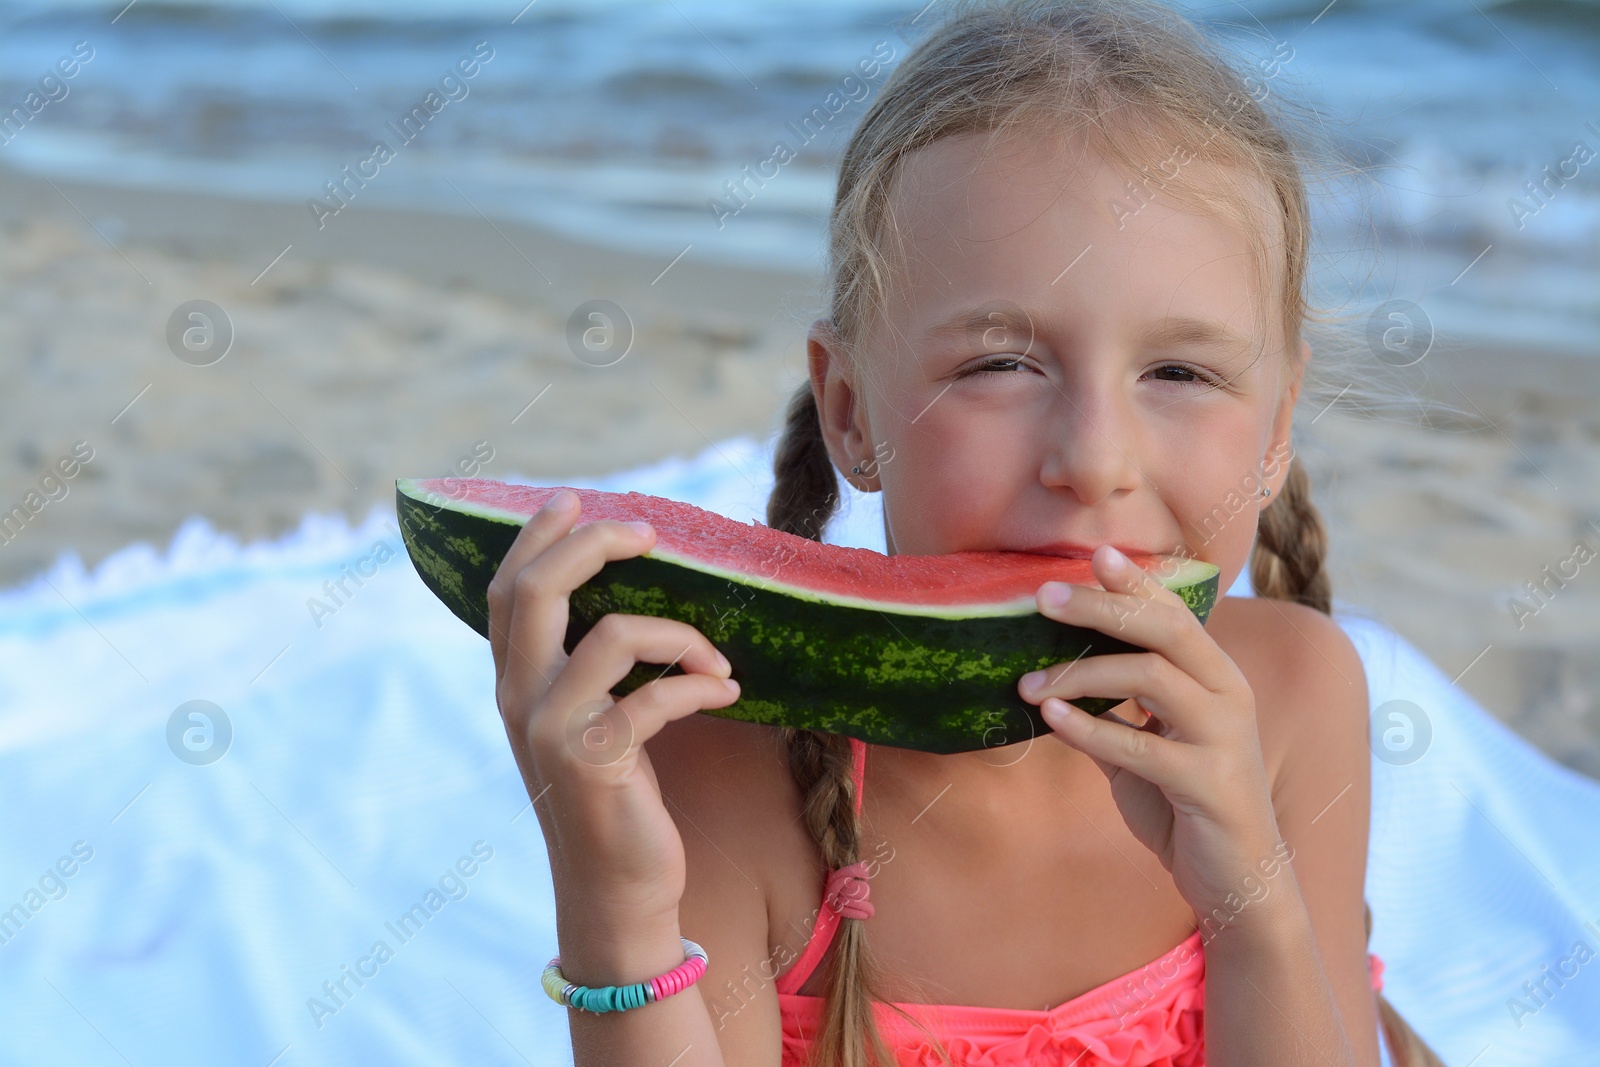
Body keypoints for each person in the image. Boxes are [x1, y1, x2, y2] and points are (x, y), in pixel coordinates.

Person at [486, 1, 1448, 1063]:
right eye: (998, 364)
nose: (1092, 457)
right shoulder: (721, 752)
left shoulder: (1300, 697)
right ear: (851, 411)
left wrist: (1251, 904)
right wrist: (616, 905)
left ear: (1275, 430)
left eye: (1180, 371)